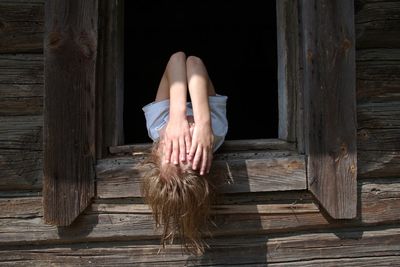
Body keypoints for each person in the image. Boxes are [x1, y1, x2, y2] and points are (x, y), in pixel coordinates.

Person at [141, 51, 228, 255]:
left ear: (158, 149)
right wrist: (204, 123)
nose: (184, 137)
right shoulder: (215, 130)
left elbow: (177, 59)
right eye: (189, 147)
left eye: (175, 147)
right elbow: (194, 62)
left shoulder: (157, 126)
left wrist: (176, 117)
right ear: (204, 154)